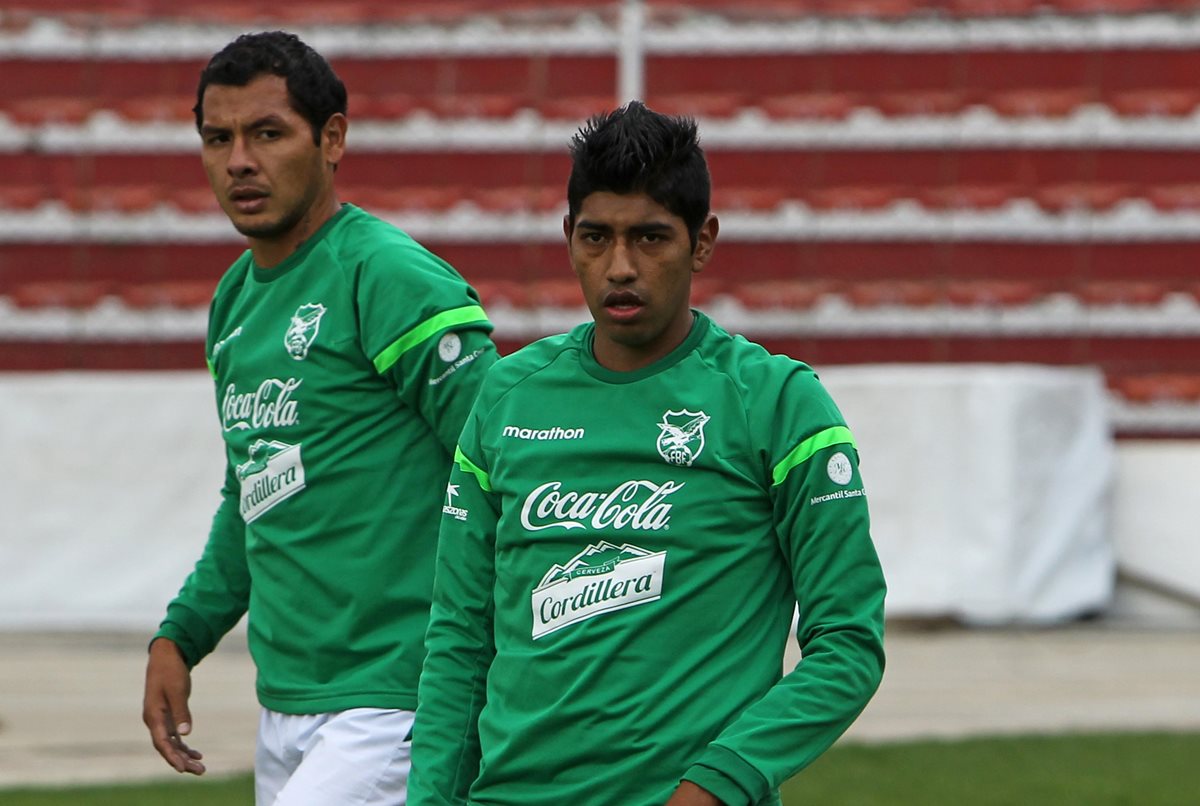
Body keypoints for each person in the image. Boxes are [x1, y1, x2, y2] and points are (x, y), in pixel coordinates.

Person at [408, 101, 887, 806]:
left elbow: (847, 643)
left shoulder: (778, 403)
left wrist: (718, 782)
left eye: (651, 238)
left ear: (702, 242)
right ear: (569, 235)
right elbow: (459, 639)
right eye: (596, 237)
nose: (620, 266)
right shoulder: (508, 395)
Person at [141, 31, 497, 805]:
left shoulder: (387, 274)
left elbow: (507, 457)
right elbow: (253, 493)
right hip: (288, 702)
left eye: (267, 133)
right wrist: (181, 635)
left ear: (332, 138)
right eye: (218, 137)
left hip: (400, 697)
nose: (239, 160)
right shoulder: (234, 302)